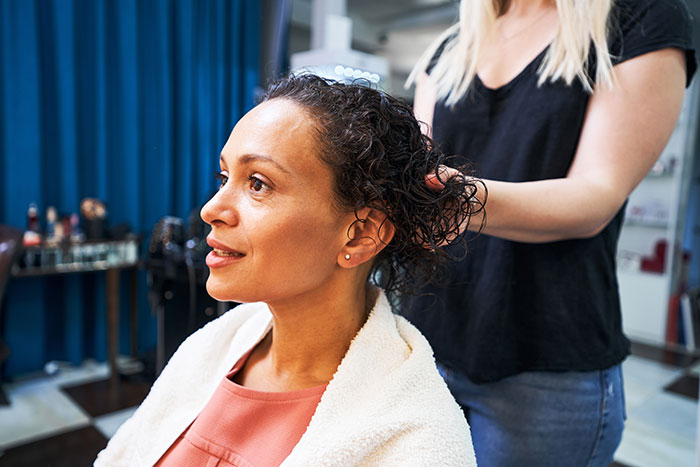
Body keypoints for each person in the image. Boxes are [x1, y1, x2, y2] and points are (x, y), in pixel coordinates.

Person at [94, 74, 480, 466]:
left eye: (258, 184)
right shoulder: (211, 348)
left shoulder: (416, 441)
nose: (211, 209)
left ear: (360, 234)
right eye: (224, 177)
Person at [400, 0, 696, 465]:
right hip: (426, 343)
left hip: (545, 360)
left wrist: (453, 198)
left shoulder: (639, 19)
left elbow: (595, 195)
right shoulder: (449, 48)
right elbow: (420, 175)